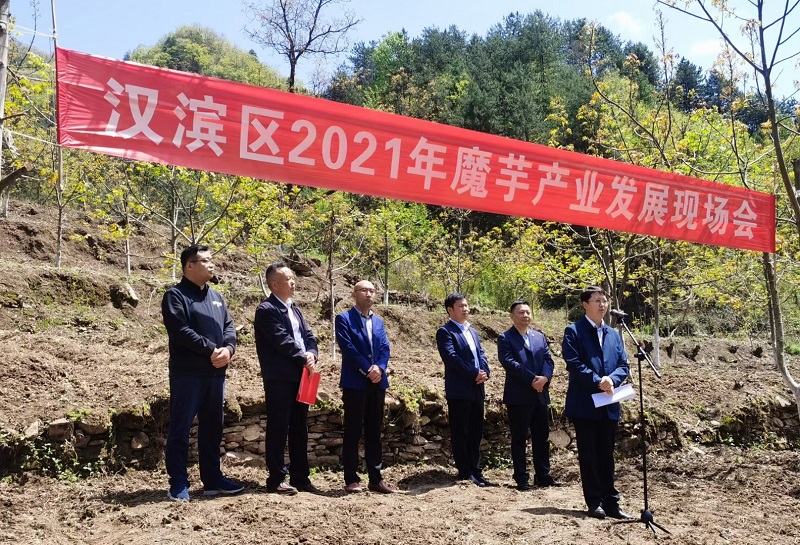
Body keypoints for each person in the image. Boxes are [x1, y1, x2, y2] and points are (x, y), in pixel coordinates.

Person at [161, 244, 244, 502]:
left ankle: (212, 479)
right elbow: (180, 331)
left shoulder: (216, 297)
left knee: (212, 427)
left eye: (211, 260)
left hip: (215, 374)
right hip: (188, 374)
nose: (211, 264)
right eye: (205, 260)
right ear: (189, 265)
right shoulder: (175, 296)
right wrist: (211, 349)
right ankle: (178, 482)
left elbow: (229, 327)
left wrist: (229, 349)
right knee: (181, 427)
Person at [561, 286, 632, 520]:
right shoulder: (574, 331)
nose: (603, 305)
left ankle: (612, 502)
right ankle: (594, 502)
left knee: (607, 454)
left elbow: (623, 364)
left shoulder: (613, 334)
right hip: (585, 403)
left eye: (605, 301)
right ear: (585, 304)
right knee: (589, 454)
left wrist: (612, 379)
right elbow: (574, 363)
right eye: (597, 301)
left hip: (609, 402)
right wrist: (598, 381)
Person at [254, 262, 320, 495]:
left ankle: (301, 477)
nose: (293, 282)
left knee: (299, 427)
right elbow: (281, 340)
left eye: (293, 278)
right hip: (280, 377)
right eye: (288, 279)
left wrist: (312, 353)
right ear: (274, 284)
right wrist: (304, 357)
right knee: (279, 427)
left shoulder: (295, 309)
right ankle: (276, 479)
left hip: (303, 375)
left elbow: (309, 336)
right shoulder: (266, 310)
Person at [335, 280, 396, 494]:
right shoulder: (343, 318)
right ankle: (351, 479)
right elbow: (348, 348)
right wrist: (367, 369)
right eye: (364, 290)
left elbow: (385, 347)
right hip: (355, 382)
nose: (368, 294)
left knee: (374, 431)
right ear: (354, 294)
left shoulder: (378, 322)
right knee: (352, 430)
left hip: (377, 383)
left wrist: (380, 367)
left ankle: (375, 479)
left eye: (372, 290)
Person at [497, 300, 558, 491]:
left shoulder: (539, 337)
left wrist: (545, 378)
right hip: (519, 395)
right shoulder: (505, 338)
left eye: (528, 312)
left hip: (540, 394)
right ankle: (521, 477)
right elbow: (509, 362)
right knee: (519, 437)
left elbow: (548, 360)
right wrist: (532, 379)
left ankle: (543, 475)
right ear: (512, 316)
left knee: (542, 436)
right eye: (521, 312)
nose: (525, 315)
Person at [435, 293, 493, 487]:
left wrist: (485, 372)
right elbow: (451, 358)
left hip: (478, 387)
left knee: (476, 431)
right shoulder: (445, 332)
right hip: (460, 389)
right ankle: (465, 471)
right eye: (461, 306)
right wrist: (473, 373)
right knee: (461, 431)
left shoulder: (472, 331)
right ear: (450, 310)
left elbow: (481, 354)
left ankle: (476, 470)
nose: (465, 309)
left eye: (466, 305)